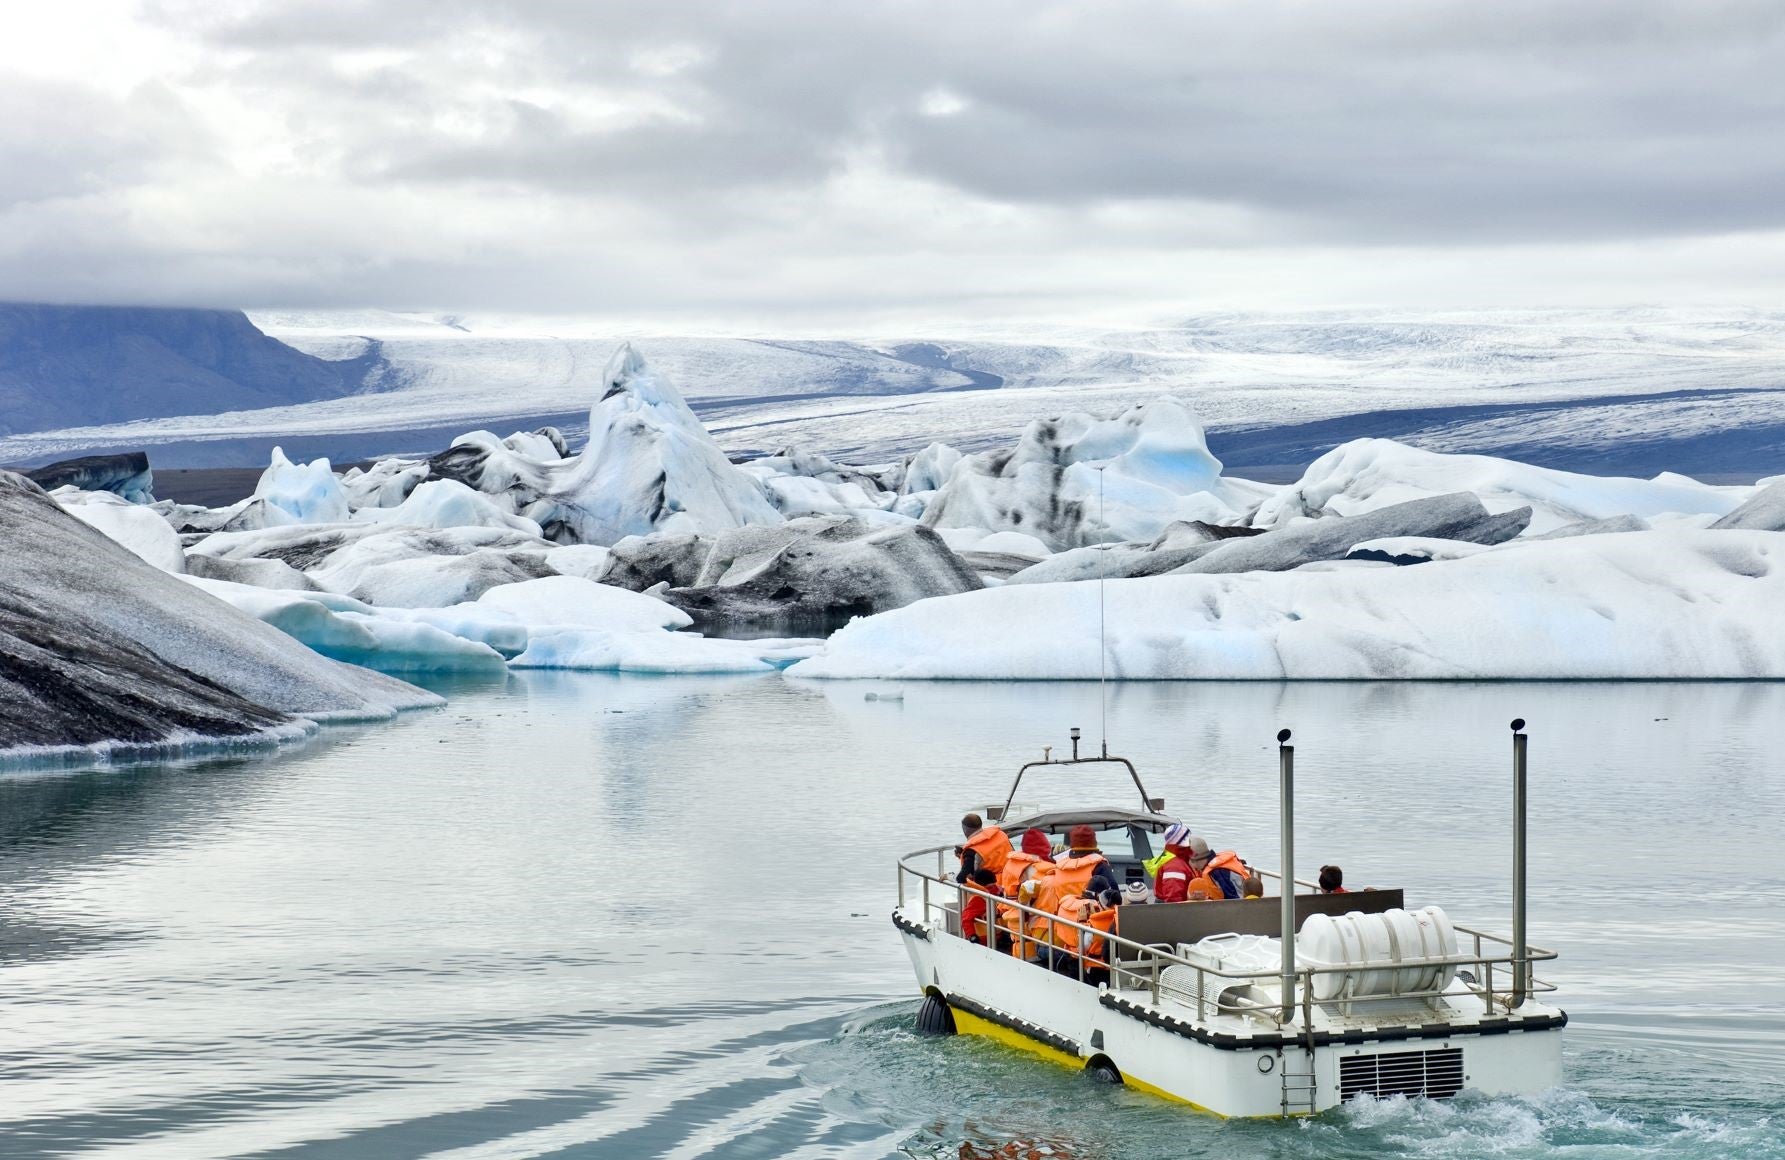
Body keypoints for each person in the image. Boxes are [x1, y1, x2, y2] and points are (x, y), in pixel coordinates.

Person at [1185, 835, 1251, 900]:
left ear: (1193, 860)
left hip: (1241, 905)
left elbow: (1232, 898)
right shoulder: (1215, 863)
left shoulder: (1217, 872)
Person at [954, 813, 1011, 884]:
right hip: (1008, 880)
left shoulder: (971, 851)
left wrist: (948, 877)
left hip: (989, 888)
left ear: (964, 829)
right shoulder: (1001, 834)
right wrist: (964, 856)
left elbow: (961, 878)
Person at [960, 867, 1008, 950]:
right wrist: (972, 935)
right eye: (991, 886)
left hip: (992, 937)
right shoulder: (980, 899)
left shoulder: (983, 897)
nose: (993, 888)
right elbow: (966, 919)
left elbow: (966, 918)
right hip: (988, 938)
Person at [1151, 823, 1198, 904]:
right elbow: (1173, 898)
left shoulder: (1175, 858)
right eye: (1187, 838)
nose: (1189, 841)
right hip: (1174, 910)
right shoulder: (1175, 866)